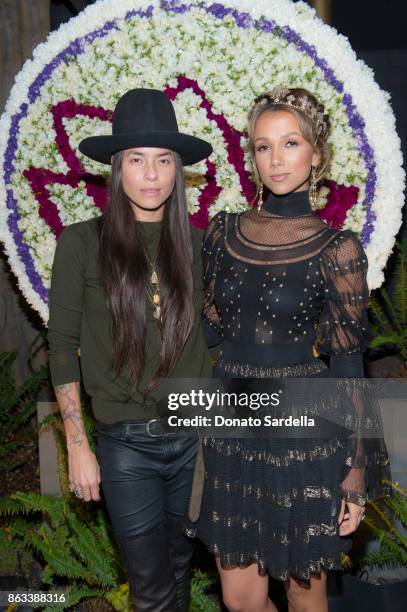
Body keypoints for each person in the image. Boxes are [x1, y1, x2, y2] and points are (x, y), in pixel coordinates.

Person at [187, 87, 390, 612]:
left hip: (306, 430)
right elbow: (207, 330)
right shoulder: (222, 232)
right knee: (241, 598)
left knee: (305, 595)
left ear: (316, 154)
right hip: (232, 426)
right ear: (251, 156)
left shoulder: (337, 248)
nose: (276, 160)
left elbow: (349, 362)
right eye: (263, 147)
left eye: (291, 143)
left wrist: (357, 468)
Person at [48, 88, 213, 611]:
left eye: (163, 160)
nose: (151, 174)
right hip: (126, 445)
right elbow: (61, 346)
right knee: (149, 586)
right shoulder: (80, 242)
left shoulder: (200, 244)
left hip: (194, 438)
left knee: (181, 569)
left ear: (178, 170)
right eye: (137, 160)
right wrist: (77, 444)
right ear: (116, 168)